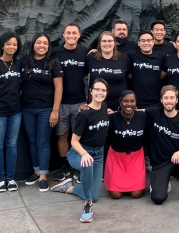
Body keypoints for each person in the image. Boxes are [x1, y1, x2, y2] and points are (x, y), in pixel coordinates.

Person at [51, 79, 110, 223]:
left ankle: (69, 188)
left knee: (95, 196)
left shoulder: (104, 108)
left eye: (103, 90)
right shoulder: (84, 114)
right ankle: (87, 206)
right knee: (87, 164)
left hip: (99, 154)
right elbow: (74, 141)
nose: (100, 93)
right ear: (91, 91)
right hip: (79, 153)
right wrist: (84, 154)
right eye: (97, 89)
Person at [21, 33, 63, 192]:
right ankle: (36, 171)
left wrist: (55, 110)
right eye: (39, 42)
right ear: (33, 44)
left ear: (48, 46)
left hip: (46, 109)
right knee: (32, 141)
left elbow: (59, 88)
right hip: (27, 108)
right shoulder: (25, 61)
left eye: (45, 43)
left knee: (43, 142)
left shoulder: (54, 63)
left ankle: (44, 175)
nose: (42, 46)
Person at [0, 30, 23, 192]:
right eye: (8, 44)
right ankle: (1, 179)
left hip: (16, 111)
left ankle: (11, 178)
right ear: (2, 45)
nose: (11, 47)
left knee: (12, 145)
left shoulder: (19, 64)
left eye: (14, 44)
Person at [51, 23, 88, 181]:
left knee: (79, 136)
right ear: (63, 35)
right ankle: (64, 166)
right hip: (61, 103)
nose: (71, 35)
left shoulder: (85, 52)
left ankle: (79, 167)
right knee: (62, 135)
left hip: (80, 101)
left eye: (74, 33)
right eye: (68, 33)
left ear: (79, 35)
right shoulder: (55, 52)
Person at [103, 90, 147, 199]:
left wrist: (176, 111)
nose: (129, 104)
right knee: (115, 195)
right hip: (116, 158)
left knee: (136, 194)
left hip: (136, 158)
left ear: (136, 102)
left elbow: (160, 113)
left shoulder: (143, 117)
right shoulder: (112, 118)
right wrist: (85, 107)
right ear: (120, 102)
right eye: (125, 101)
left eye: (132, 101)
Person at [85, 31, 131, 111]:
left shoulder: (123, 58)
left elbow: (130, 77)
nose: (107, 43)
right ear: (100, 43)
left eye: (110, 41)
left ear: (114, 43)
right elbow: (88, 76)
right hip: (97, 104)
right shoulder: (91, 58)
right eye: (104, 41)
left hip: (119, 105)